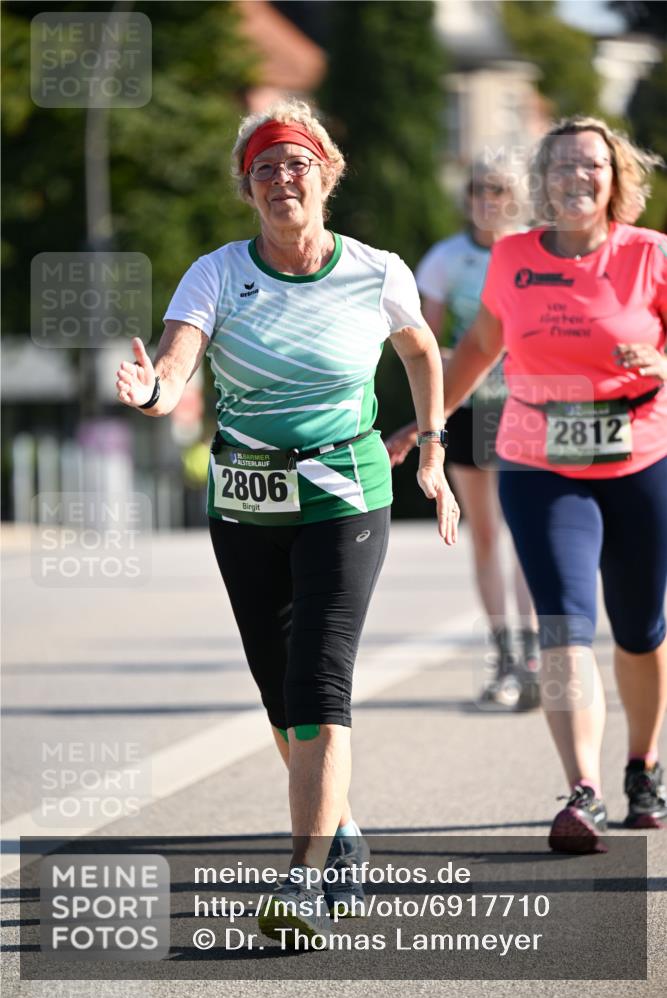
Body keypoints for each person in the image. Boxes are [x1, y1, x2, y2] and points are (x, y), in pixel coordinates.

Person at [115, 99, 460, 939]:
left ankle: (301, 879)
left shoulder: (374, 270)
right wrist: (154, 392)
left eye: (294, 163)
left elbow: (419, 350)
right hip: (245, 500)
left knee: (319, 679)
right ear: (248, 189)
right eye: (263, 169)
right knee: (278, 691)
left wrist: (432, 448)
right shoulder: (216, 272)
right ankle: (338, 828)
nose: (279, 179)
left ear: (326, 173)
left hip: (346, 488)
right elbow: (176, 361)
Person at [439, 116, 667, 853]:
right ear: (541, 181)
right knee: (563, 624)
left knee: (637, 629)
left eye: (591, 165)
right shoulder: (511, 257)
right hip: (538, 458)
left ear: (615, 178)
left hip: (641, 458)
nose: (576, 176)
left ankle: (641, 766)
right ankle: (582, 791)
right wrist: (425, 419)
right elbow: (479, 345)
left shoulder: (652, 257)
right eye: (561, 165)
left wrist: (661, 367)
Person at [386, 159, 540, 710]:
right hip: (470, 403)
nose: (486, 200)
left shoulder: (533, 248)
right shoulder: (447, 258)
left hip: (528, 404)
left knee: (529, 533)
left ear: (516, 197)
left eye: (497, 190)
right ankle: (503, 654)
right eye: (477, 190)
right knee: (485, 535)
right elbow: (423, 340)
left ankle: (532, 654)